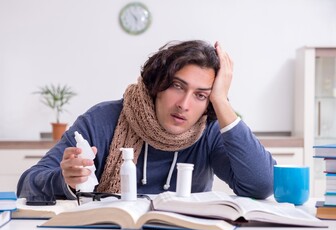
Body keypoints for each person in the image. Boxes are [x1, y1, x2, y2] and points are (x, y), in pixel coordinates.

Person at [17, 40, 276, 200]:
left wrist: (221, 102)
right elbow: (27, 184)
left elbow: (261, 185)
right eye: (176, 86)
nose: (184, 105)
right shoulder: (102, 120)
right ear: (156, 85)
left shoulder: (207, 130)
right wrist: (67, 180)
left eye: (200, 95)